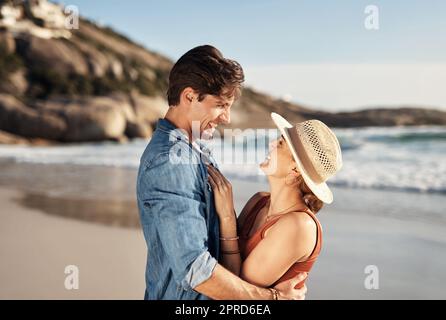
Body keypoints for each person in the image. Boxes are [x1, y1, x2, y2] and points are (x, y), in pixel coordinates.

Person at [136, 45, 307, 299]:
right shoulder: (169, 161)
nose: (226, 118)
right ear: (190, 97)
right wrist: (273, 298)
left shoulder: (196, 146)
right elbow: (195, 270)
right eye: (220, 105)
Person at [207, 112, 343, 291]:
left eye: (280, 143)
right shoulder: (259, 201)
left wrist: (226, 217)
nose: (271, 143)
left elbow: (237, 290)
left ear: (295, 169)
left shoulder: (300, 226)